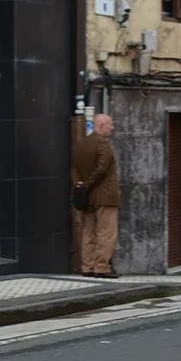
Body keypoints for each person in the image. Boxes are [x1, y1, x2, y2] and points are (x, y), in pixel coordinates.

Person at [71, 114, 121, 277]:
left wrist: (80, 185)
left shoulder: (81, 144)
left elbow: (74, 168)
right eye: (110, 125)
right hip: (105, 196)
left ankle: (87, 266)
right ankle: (101, 267)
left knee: (88, 232)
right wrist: (87, 185)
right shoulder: (103, 144)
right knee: (106, 232)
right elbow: (102, 169)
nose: (112, 128)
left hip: (87, 197)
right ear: (102, 126)